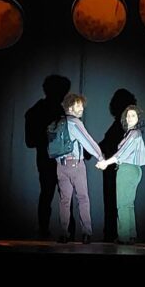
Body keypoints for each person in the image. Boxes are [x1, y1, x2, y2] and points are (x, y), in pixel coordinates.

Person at [24, 75, 75, 240]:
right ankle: (61, 233)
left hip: (54, 160)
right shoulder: (43, 112)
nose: (63, 96)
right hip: (53, 161)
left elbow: (31, 141)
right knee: (55, 196)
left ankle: (49, 232)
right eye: (62, 92)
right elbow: (30, 141)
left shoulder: (39, 111)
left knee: (51, 195)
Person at [96, 104, 145, 244]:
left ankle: (124, 237)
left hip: (127, 170)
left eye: (133, 115)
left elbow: (121, 154)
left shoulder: (134, 133)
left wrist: (106, 163)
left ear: (138, 118)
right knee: (128, 204)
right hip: (133, 170)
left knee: (122, 204)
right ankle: (131, 235)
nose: (130, 118)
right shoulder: (131, 133)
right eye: (128, 115)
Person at [57, 93, 104, 244]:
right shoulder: (75, 122)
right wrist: (100, 157)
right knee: (83, 199)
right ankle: (86, 233)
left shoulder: (58, 123)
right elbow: (87, 141)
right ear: (70, 107)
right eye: (78, 105)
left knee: (64, 201)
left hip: (60, 166)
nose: (82, 108)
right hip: (76, 166)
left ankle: (64, 234)